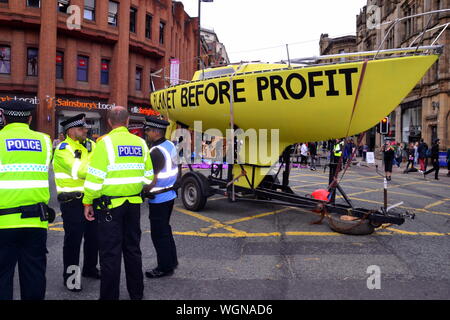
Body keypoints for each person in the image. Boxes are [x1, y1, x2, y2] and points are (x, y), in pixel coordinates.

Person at [83, 106, 154, 300]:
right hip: (133, 205)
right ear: (128, 121)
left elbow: (95, 178)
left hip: (109, 207)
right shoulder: (140, 142)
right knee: (133, 250)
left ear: (108, 122)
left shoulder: (104, 144)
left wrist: (88, 202)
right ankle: (137, 294)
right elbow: (148, 178)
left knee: (110, 255)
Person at [0, 100, 54, 300]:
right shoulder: (45, 141)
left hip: (3, 223)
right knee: (34, 276)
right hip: (35, 221)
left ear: (4, 117)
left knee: (2, 277)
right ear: (30, 118)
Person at [52, 114, 99, 292]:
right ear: (71, 131)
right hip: (72, 202)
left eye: (85, 128)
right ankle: (71, 279)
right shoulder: (63, 149)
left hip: (91, 199)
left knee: (93, 238)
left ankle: (90, 268)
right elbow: (79, 170)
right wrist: (100, 169)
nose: (86, 130)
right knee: (73, 242)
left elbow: (98, 163)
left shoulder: (91, 145)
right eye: (81, 128)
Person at [143, 116, 179, 278]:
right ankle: (171, 261)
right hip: (170, 194)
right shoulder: (170, 145)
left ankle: (164, 267)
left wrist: (143, 191)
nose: (146, 133)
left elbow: (153, 179)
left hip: (158, 197)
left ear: (155, 132)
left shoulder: (155, 151)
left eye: (148, 130)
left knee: (159, 233)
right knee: (165, 229)